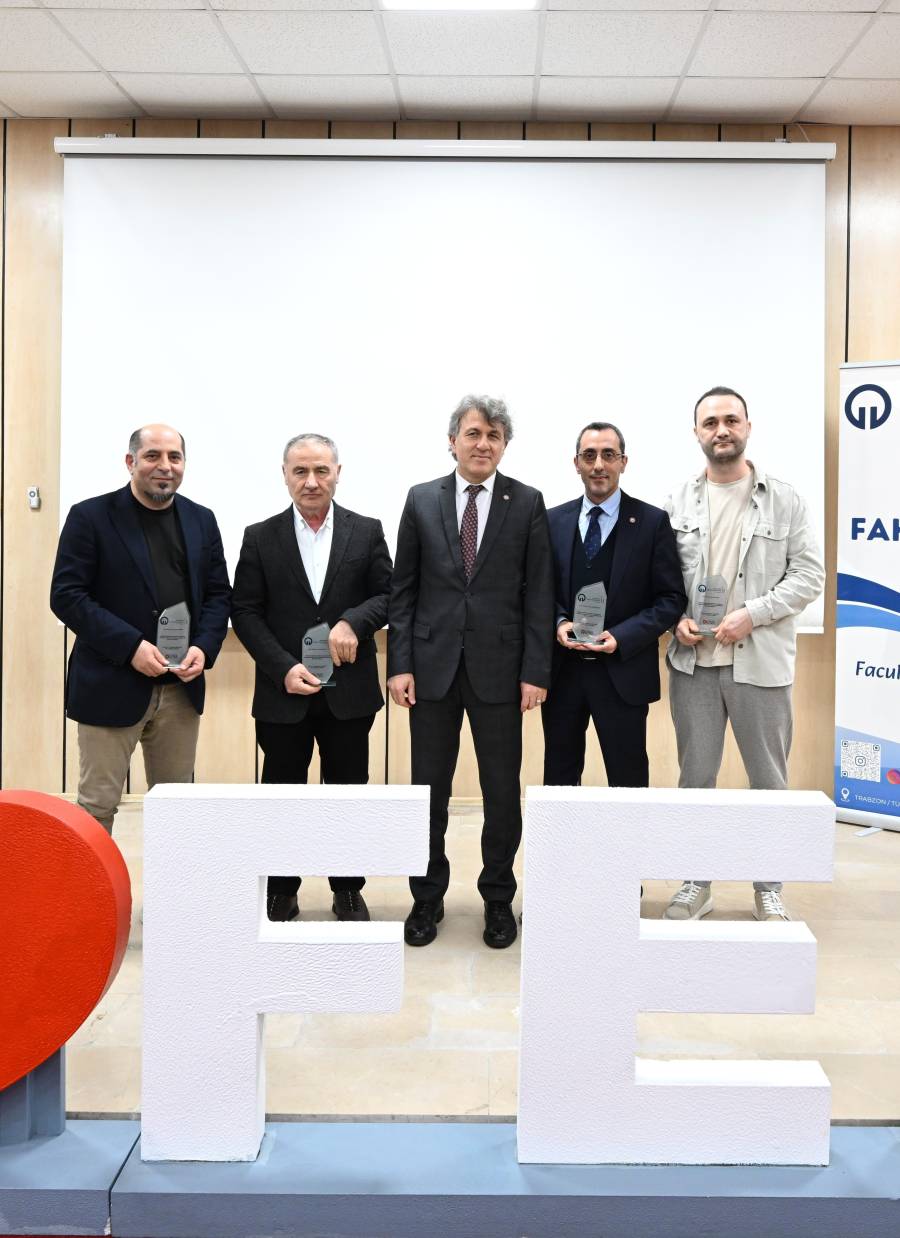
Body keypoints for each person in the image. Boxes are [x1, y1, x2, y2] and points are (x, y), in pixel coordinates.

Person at [388, 395, 554, 949]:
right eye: (474, 433)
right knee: (428, 792)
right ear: (453, 440)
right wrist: (400, 664)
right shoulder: (421, 498)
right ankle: (426, 897)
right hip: (430, 670)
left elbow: (539, 594)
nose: (483, 444)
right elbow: (403, 590)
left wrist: (535, 670)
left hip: (501, 673)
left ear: (504, 446)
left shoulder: (526, 502)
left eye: (494, 436)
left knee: (501, 792)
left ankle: (498, 898)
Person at [663, 386, 825, 922]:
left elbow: (809, 576)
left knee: (769, 782)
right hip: (694, 666)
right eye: (710, 422)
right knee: (695, 781)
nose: (722, 430)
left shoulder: (785, 499)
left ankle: (768, 887)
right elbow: (660, 581)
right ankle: (696, 882)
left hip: (761, 663)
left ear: (748, 427)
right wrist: (675, 620)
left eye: (731, 420)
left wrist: (752, 614)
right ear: (697, 433)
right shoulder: (676, 503)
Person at [231, 433, 392, 923]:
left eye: (321, 470)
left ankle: (347, 888)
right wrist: (281, 667)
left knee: (348, 793)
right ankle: (282, 889)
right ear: (285, 475)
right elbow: (245, 611)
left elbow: (389, 596)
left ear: (337, 473)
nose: (311, 481)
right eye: (300, 471)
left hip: (350, 693)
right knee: (283, 794)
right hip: (284, 693)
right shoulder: (260, 536)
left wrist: (353, 622)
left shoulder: (367, 531)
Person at [50, 424, 231, 835]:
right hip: (110, 682)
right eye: (153, 456)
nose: (165, 466)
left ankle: (174, 883)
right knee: (97, 805)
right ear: (130, 462)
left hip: (181, 687)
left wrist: (204, 647)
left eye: (174, 457)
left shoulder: (202, 520)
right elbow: (67, 596)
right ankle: (95, 883)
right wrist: (131, 647)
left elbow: (219, 594)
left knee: (177, 808)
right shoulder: (90, 517)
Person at [542, 422, 685, 789]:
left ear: (624, 462)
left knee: (628, 780)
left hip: (623, 673)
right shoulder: (551, 521)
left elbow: (670, 599)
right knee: (559, 777)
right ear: (576, 463)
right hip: (562, 674)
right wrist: (558, 621)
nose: (598, 465)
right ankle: (563, 832)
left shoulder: (652, 523)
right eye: (589, 455)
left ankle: (631, 834)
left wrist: (622, 636)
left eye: (609, 455)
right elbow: (537, 590)